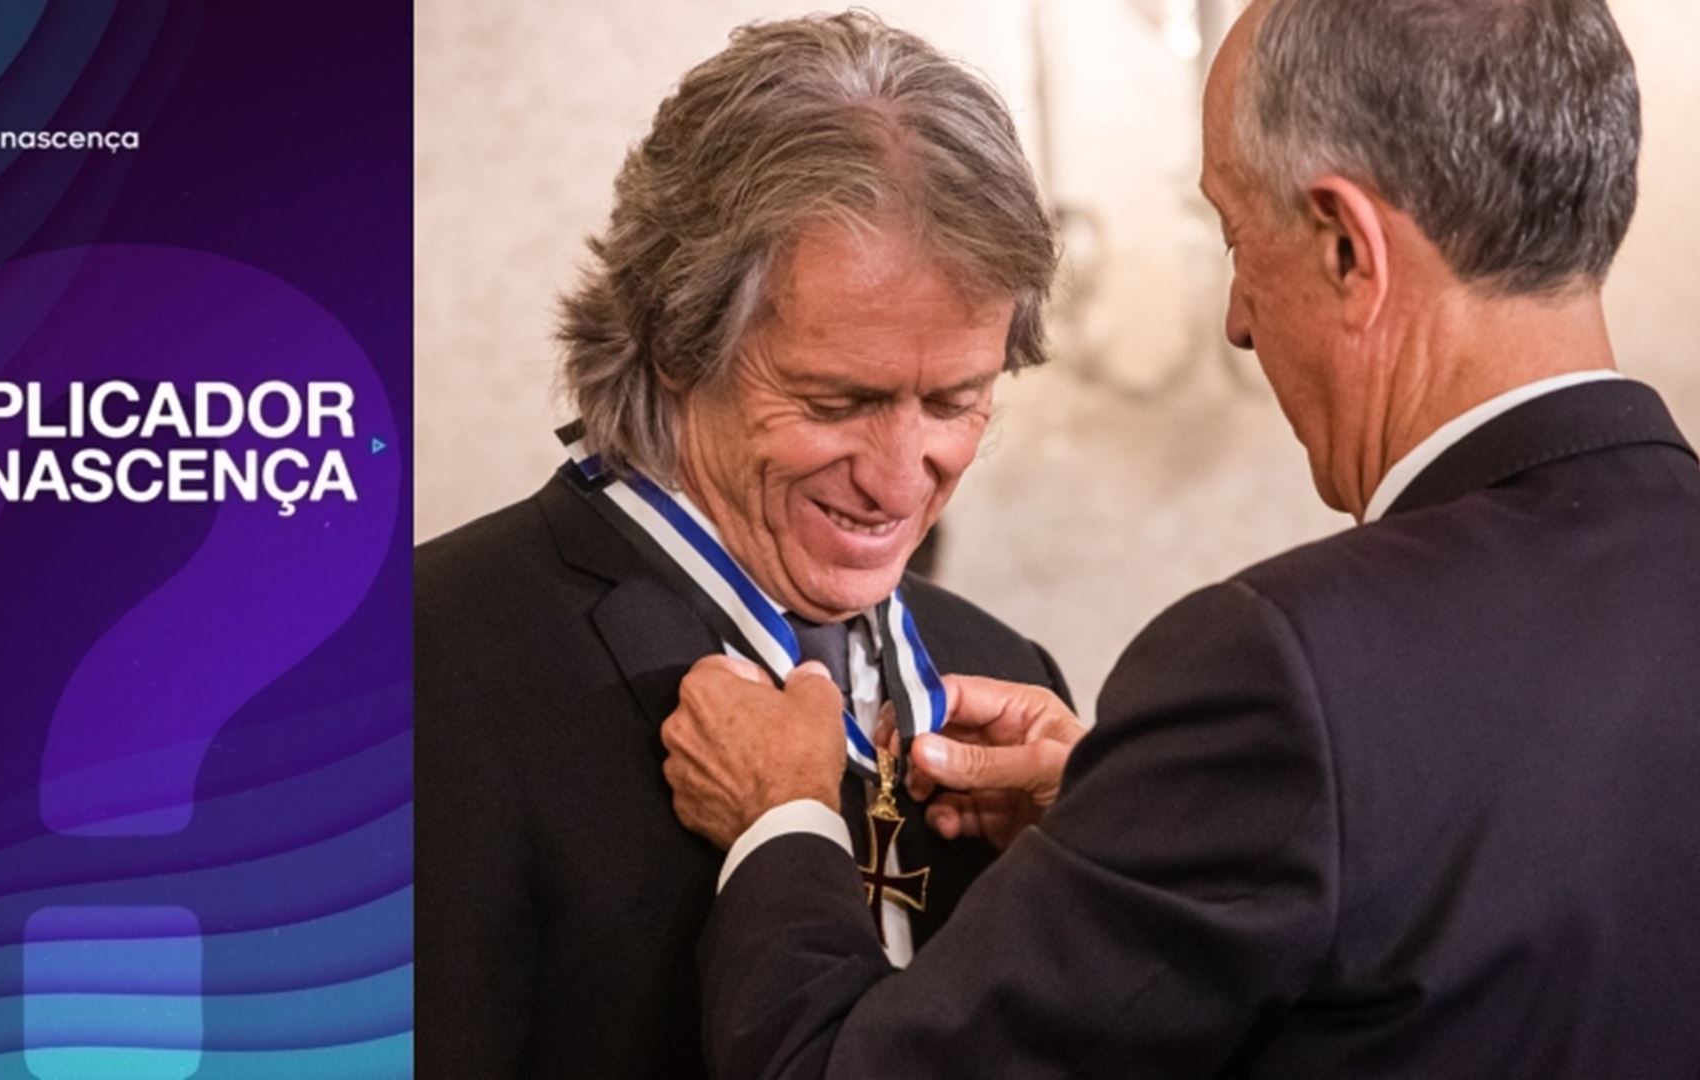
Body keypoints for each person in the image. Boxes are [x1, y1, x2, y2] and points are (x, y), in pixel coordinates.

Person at [662, 1, 1700, 1075]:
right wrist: (1138, 828)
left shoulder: (1284, 673)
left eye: (1237, 238)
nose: (1236, 320)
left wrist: (784, 819)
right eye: (839, 401)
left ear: (1349, 247)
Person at [415, 13, 1073, 1076]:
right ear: (678, 340)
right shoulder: (424, 661)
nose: (900, 479)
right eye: (838, 401)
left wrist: (1097, 865)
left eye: (955, 401)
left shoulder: (1011, 682)